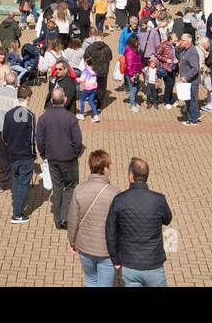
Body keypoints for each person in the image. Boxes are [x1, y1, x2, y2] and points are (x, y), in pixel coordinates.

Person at [105, 157, 172, 286]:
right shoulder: (158, 199)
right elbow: (167, 219)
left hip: (130, 266)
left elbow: (110, 231)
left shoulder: (119, 199)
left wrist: (115, 258)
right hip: (154, 265)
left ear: (131, 176)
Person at [67, 149, 118, 287]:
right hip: (106, 249)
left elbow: (72, 220)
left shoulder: (79, 189)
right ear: (105, 169)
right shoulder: (114, 193)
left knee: (91, 279)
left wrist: (72, 241)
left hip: (84, 246)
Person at [36, 89, 83, 230]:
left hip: (52, 159)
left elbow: (39, 139)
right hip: (68, 159)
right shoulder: (70, 118)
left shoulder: (43, 118)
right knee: (70, 187)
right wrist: (75, 154)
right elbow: (77, 140)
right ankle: (65, 218)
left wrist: (44, 154)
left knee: (57, 189)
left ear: (51, 101)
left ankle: (58, 220)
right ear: (64, 100)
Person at [3, 86, 37, 224]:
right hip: (25, 155)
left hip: (12, 153)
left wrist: (10, 147)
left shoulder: (8, 114)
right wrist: (33, 153)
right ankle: (17, 213)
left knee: (16, 179)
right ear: (28, 98)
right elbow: (32, 137)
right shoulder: (30, 116)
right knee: (23, 183)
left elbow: (4, 135)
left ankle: (15, 202)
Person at [177, 32, 202, 126]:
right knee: (188, 100)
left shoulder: (192, 52)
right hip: (185, 81)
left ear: (187, 42)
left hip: (191, 81)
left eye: (182, 40)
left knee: (190, 100)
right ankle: (194, 116)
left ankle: (193, 119)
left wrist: (186, 77)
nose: (180, 41)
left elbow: (195, 68)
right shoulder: (184, 49)